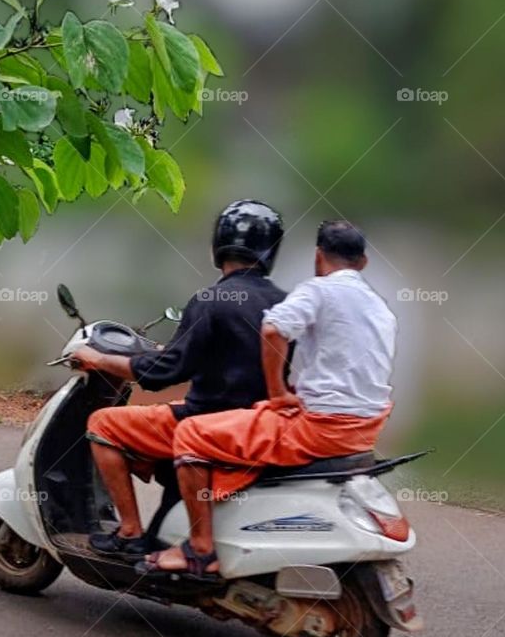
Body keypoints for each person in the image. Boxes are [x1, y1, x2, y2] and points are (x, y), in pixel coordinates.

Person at [139, 220, 396, 578]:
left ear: (318, 256)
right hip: (364, 430)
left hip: (321, 428)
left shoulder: (318, 290)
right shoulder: (380, 307)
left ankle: (199, 551)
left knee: (191, 433)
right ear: (363, 262)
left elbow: (273, 328)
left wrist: (277, 393)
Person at [73, 200, 286, 557]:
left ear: (218, 245)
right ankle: (165, 527)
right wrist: (167, 351)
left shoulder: (211, 300)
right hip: (258, 427)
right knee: (160, 421)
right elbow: (231, 355)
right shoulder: (287, 303)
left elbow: (164, 373)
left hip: (206, 422)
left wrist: (98, 359)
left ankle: (128, 531)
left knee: (102, 424)